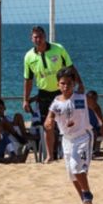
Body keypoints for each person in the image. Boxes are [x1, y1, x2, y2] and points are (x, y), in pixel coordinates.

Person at [23, 26, 83, 161]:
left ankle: (72, 152)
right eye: (35, 37)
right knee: (48, 124)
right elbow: (28, 79)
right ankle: (50, 155)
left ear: (45, 37)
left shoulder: (58, 49)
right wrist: (25, 99)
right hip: (44, 94)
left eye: (40, 36)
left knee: (69, 122)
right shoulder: (29, 57)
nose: (38, 39)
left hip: (62, 91)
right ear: (31, 39)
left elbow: (71, 67)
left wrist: (80, 84)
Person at [44, 67, 95, 204]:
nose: (65, 86)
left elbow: (95, 107)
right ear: (57, 84)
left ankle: (87, 195)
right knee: (72, 175)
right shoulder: (56, 102)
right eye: (62, 83)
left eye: (68, 83)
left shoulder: (81, 97)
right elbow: (50, 116)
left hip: (83, 137)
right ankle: (85, 200)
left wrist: (102, 125)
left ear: (74, 83)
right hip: (66, 140)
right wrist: (48, 121)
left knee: (76, 167)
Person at [86, 90, 103, 157]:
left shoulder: (96, 107)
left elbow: (100, 120)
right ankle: (93, 151)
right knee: (93, 132)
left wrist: (102, 127)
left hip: (95, 128)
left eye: (96, 98)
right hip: (86, 129)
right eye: (93, 98)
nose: (95, 100)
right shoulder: (84, 108)